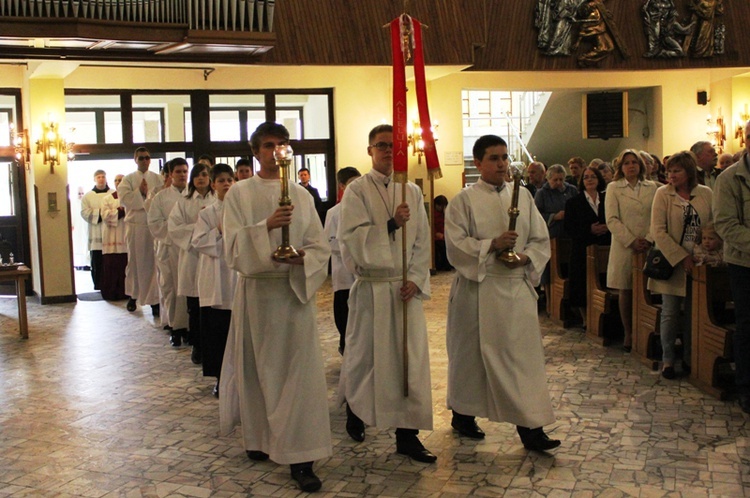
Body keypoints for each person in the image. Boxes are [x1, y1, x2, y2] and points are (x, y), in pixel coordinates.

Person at [219, 122, 331, 493]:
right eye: (268, 145)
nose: (276, 151)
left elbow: (320, 246)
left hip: (291, 294)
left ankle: (302, 457)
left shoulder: (301, 195)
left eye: (282, 144)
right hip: (257, 295)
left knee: (298, 377)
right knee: (258, 372)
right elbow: (232, 248)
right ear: (256, 152)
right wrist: (265, 226)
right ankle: (262, 439)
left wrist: (303, 259)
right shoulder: (239, 192)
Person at [444, 134, 560, 452]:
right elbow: (454, 246)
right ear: (478, 163)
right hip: (477, 290)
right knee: (470, 359)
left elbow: (539, 239)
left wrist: (524, 258)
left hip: (514, 289)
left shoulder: (521, 197)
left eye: (504, 157)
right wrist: (490, 245)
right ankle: (463, 414)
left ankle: (531, 428)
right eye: (493, 158)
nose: (501, 163)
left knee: (522, 361)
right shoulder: (463, 200)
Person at [337, 124, 436, 463]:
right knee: (366, 358)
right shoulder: (357, 191)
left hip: (403, 290)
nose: (386, 152)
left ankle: (407, 436)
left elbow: (422, 241)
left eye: (393, 146)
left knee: (409, 364)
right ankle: (356, 409)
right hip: (373, 289)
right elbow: (351, 237)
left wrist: (417, 279)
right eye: (380, 145)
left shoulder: (410, 189)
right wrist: (391, 225)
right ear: (369, 151)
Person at [649, 151, 712, 379]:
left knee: (694, 313)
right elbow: (658, 230)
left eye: (677, 170)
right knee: (670, 311)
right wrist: (680, 256)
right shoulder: (662, 194)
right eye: (669, 171)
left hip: (699, 260)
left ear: (689, 171)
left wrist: (702, 251)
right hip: (671, 260)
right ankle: (668, 359)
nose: (671, 175)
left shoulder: (705, 193)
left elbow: (712, 224)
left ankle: (689, 357)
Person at [605, 149, 660, 352]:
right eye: (627, 163)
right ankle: (628, 332)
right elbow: (611, 219)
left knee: (647, 289)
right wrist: (631, 240)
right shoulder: (614, 188)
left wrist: (648, 238)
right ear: (621, 167)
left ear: (641, 166)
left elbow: (657, 216)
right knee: (626, 289)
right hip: (624, 245)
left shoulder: (652, 187)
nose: (631, 166)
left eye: (634, 162)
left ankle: (647, 331)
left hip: (647, 244)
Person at [713, 120, 750, 413]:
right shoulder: (729, 179)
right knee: (747, 325)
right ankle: (746, 386)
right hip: (744, 263)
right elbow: (726, 224)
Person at [192, 163, 236, 397]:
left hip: (237, 276)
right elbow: (198, 241)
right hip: (217, 277)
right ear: (213, 184)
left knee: (238, 332)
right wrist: (218, 231)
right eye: (221, 181)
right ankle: (220, 377)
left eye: (230, 180)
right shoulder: (207, 213)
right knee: (218, 331)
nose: (227, 184)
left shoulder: (241, 210)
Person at [168, 163, 214, 364]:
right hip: (193, 257)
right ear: (192, 180)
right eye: (197, 176)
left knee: (212, 305)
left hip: (214, 257)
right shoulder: (184, 202)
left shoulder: (218, 199)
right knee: (194, 307)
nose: (201, 179)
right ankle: (197, 345)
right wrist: (198, 228)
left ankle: (212, 346)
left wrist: (209, 233)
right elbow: (174, 228)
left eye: (205, 175)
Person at [148, 159, 189, 346]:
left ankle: (189, 327)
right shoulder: (161, 198)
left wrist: (185, 232)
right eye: (178, 171)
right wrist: (175, 230)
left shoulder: (192, 195)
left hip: (189, 249)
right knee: (171, 288)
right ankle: (175, 327)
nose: (182, 175)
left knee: (187, 288)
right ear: (170, 174)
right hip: (169, 247)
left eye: (185, 171)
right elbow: (155, 224)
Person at [563, 166, 611, 327]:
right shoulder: (573, 202)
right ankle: (585, 318)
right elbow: (569, 227)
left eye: (593, 177)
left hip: (604, 246)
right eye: (586, 177)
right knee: (581, 283)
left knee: (604, 280)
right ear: (582, 182)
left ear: (599, 180)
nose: (589, 180)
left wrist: (607, 227)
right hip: (581, 248)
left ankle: (604, 317)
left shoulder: (607, 199)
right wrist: (589, 229)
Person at [118, 147, 163, 315]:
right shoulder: (128, 180)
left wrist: (149, 197)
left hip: (152, 226)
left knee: (153, 263)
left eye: (147, 157)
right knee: (135, 262)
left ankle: (154, 300)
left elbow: (161, 199)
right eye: (141, 158)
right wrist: (140, 193)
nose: (144, 161)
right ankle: (133, 295)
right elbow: (125, 200)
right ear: (135, 159)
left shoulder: (158, 178)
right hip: (135, 226)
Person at [323, 166, 360, 355]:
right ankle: (345, 345)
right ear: (342, 186)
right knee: (343, 312)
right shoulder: (334, 212)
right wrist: (350, 248)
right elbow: (329, 241)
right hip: (344, 272)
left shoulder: (365, 209)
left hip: (362, 269)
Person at [80, 169, 111, 290]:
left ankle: (110, 284)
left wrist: (110, 214)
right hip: (96, 233)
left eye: (103, 176)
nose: (101, 179)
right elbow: (84, 212)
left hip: (111, 233)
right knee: (97, 262)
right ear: (94, 179)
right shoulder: (88, 196)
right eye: (98, 177)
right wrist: (102, 214)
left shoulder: (113, 194)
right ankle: (98, 284)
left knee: (110, 262)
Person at [99, 174, 128, 301]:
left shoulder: (130, 198)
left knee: (125, 266)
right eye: (116, 180)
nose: (118, 182)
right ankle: (111, 292)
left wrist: (124, 210)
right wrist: (120, 211)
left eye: (121, 180)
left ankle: (126, 292)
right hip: (111, 236)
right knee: (111, 266)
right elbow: (105, 215)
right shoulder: (107, 199)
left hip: (125, 235)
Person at [534, 164, 578, 240]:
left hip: (571, 232)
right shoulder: (541, 193)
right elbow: (536, 215)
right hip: (552, 233)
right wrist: (554, 216)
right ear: (548, 179)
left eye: (561, 179)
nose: (558, 182)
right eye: (555, 180)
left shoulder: (572, 190)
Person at [433, 195, 452, 271]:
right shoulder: (433, 214)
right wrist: (436, 233)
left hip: (443, 235)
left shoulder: (444, 214)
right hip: (436, 237)